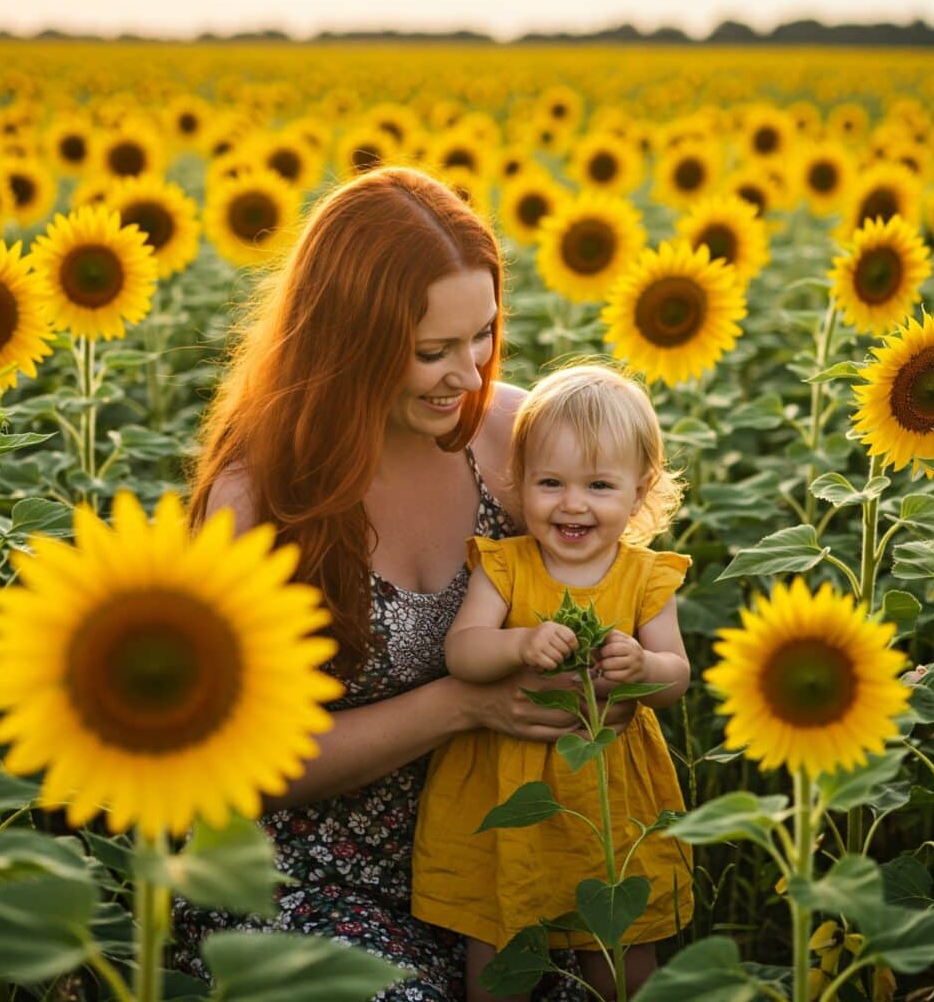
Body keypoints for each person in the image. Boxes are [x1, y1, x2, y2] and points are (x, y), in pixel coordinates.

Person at [172, 167, 638, 1002]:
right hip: (302, 883)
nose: (468, 373)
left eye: (484, 335)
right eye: (431, 351)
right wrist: (463, 703)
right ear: (347, 340)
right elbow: (233, 767)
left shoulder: (517, 442)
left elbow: (624, 594)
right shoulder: (260, 500)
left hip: (506, 856)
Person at [411, 364, 694, 1002]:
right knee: (499, 936)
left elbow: (676, 676)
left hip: (610, 792)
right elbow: (464, 653)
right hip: (508, 788)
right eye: (550, 482)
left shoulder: (645, 578)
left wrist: (643, 669)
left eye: (598, 484)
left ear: (639, 490)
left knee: (618, 940)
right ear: (519, 482)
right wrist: (517, 643)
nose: (572, 503)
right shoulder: (506, 566)